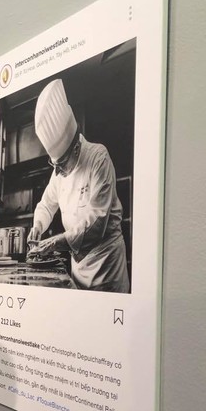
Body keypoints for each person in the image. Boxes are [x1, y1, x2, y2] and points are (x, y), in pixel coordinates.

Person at [27, 79, 129, 293]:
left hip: (105, 267)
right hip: (78, 268)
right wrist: (38, 225)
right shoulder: (60, 169)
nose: (58, 171)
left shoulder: (97, 158)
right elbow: (46, 204)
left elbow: (97, 222)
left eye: (61, 164)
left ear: (75, 149)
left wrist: (56, 242)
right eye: (54, 165)